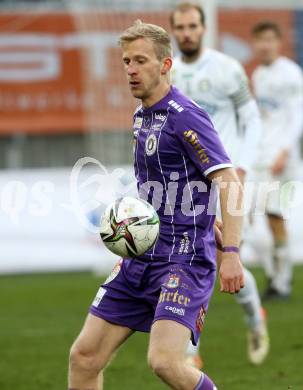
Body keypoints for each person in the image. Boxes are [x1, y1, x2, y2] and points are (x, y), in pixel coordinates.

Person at [68, 20, 245, 390]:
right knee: (84, 357)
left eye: (141, 61)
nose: (131, 70)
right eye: (126, 61)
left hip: (183, 260)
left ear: (165, 66)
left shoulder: (185, 115)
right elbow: (166, 185)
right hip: (140, 256)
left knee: (164, 362)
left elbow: (227, 180)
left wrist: (231, 250)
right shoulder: (141, 116)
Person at [170, 2, 269, 366]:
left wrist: (241, 167)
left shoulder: (227, 69)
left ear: (203, 27)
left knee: (229, 254)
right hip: (187, 187)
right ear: (173, 31)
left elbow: (252, 119)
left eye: (193, 26)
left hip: (225, 179)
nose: (187, 33)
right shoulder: (169, 73)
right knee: (190, 257)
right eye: (180, 27)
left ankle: (254, 317)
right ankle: (190, 350)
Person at [251, 21, 303, 300]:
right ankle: (275, 276)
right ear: (255, 44)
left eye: (270, 39)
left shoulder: (291, 73)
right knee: (248, 217)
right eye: (260, 40)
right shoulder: (258, 74)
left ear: (278, 42)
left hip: (283, 158)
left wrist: (284, 150)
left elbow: (299, 115)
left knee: (275, 216)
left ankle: (282, 281)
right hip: (261, 156)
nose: (265, 45)